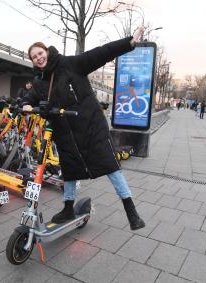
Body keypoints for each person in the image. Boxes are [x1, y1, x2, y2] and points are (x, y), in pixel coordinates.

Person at [21, 28, 146, 230]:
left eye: (40, 53)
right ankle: (68, 207)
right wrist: (26, 104)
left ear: (47, 52)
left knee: (111, 166)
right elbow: (29, 98)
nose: (39, 58)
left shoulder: (70, 64)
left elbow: (100, 53)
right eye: (34, 57)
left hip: (90, 127)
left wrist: (127, 43)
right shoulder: (38, 82)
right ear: (33, 61)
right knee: (70, 170)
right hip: (66, 134)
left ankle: (131, 211)